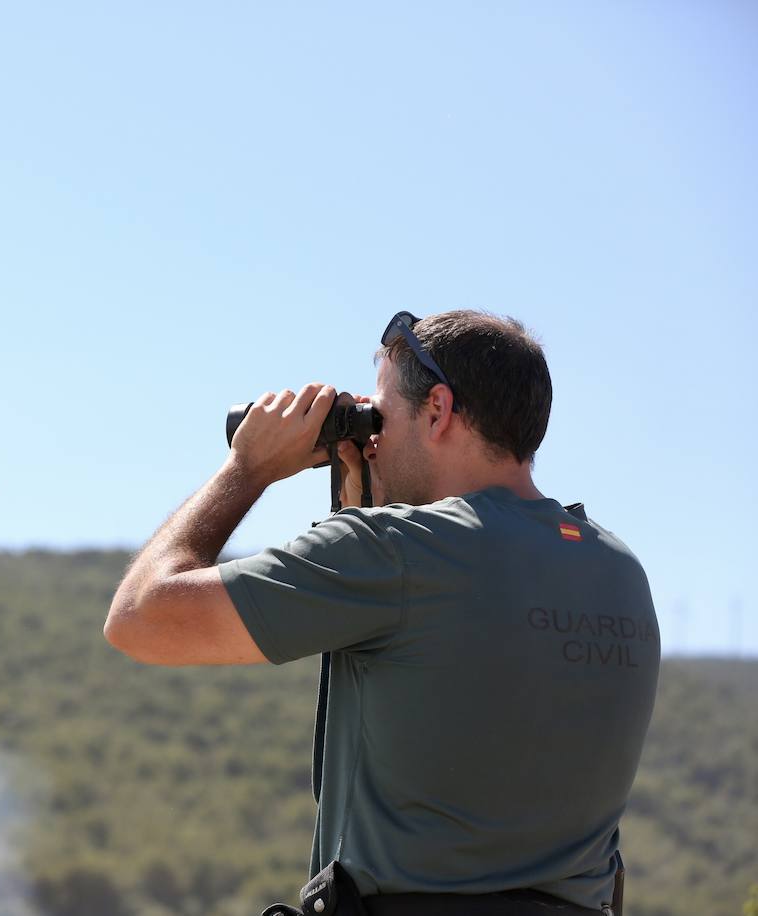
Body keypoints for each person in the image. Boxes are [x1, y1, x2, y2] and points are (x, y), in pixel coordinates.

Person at [103, 311, 660, 915]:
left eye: (380, 417)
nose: (371, 440)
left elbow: (140, 617)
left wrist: (249, 468)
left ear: (438, 409)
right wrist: (362, 507)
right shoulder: (618, 568)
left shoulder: (395, 553)